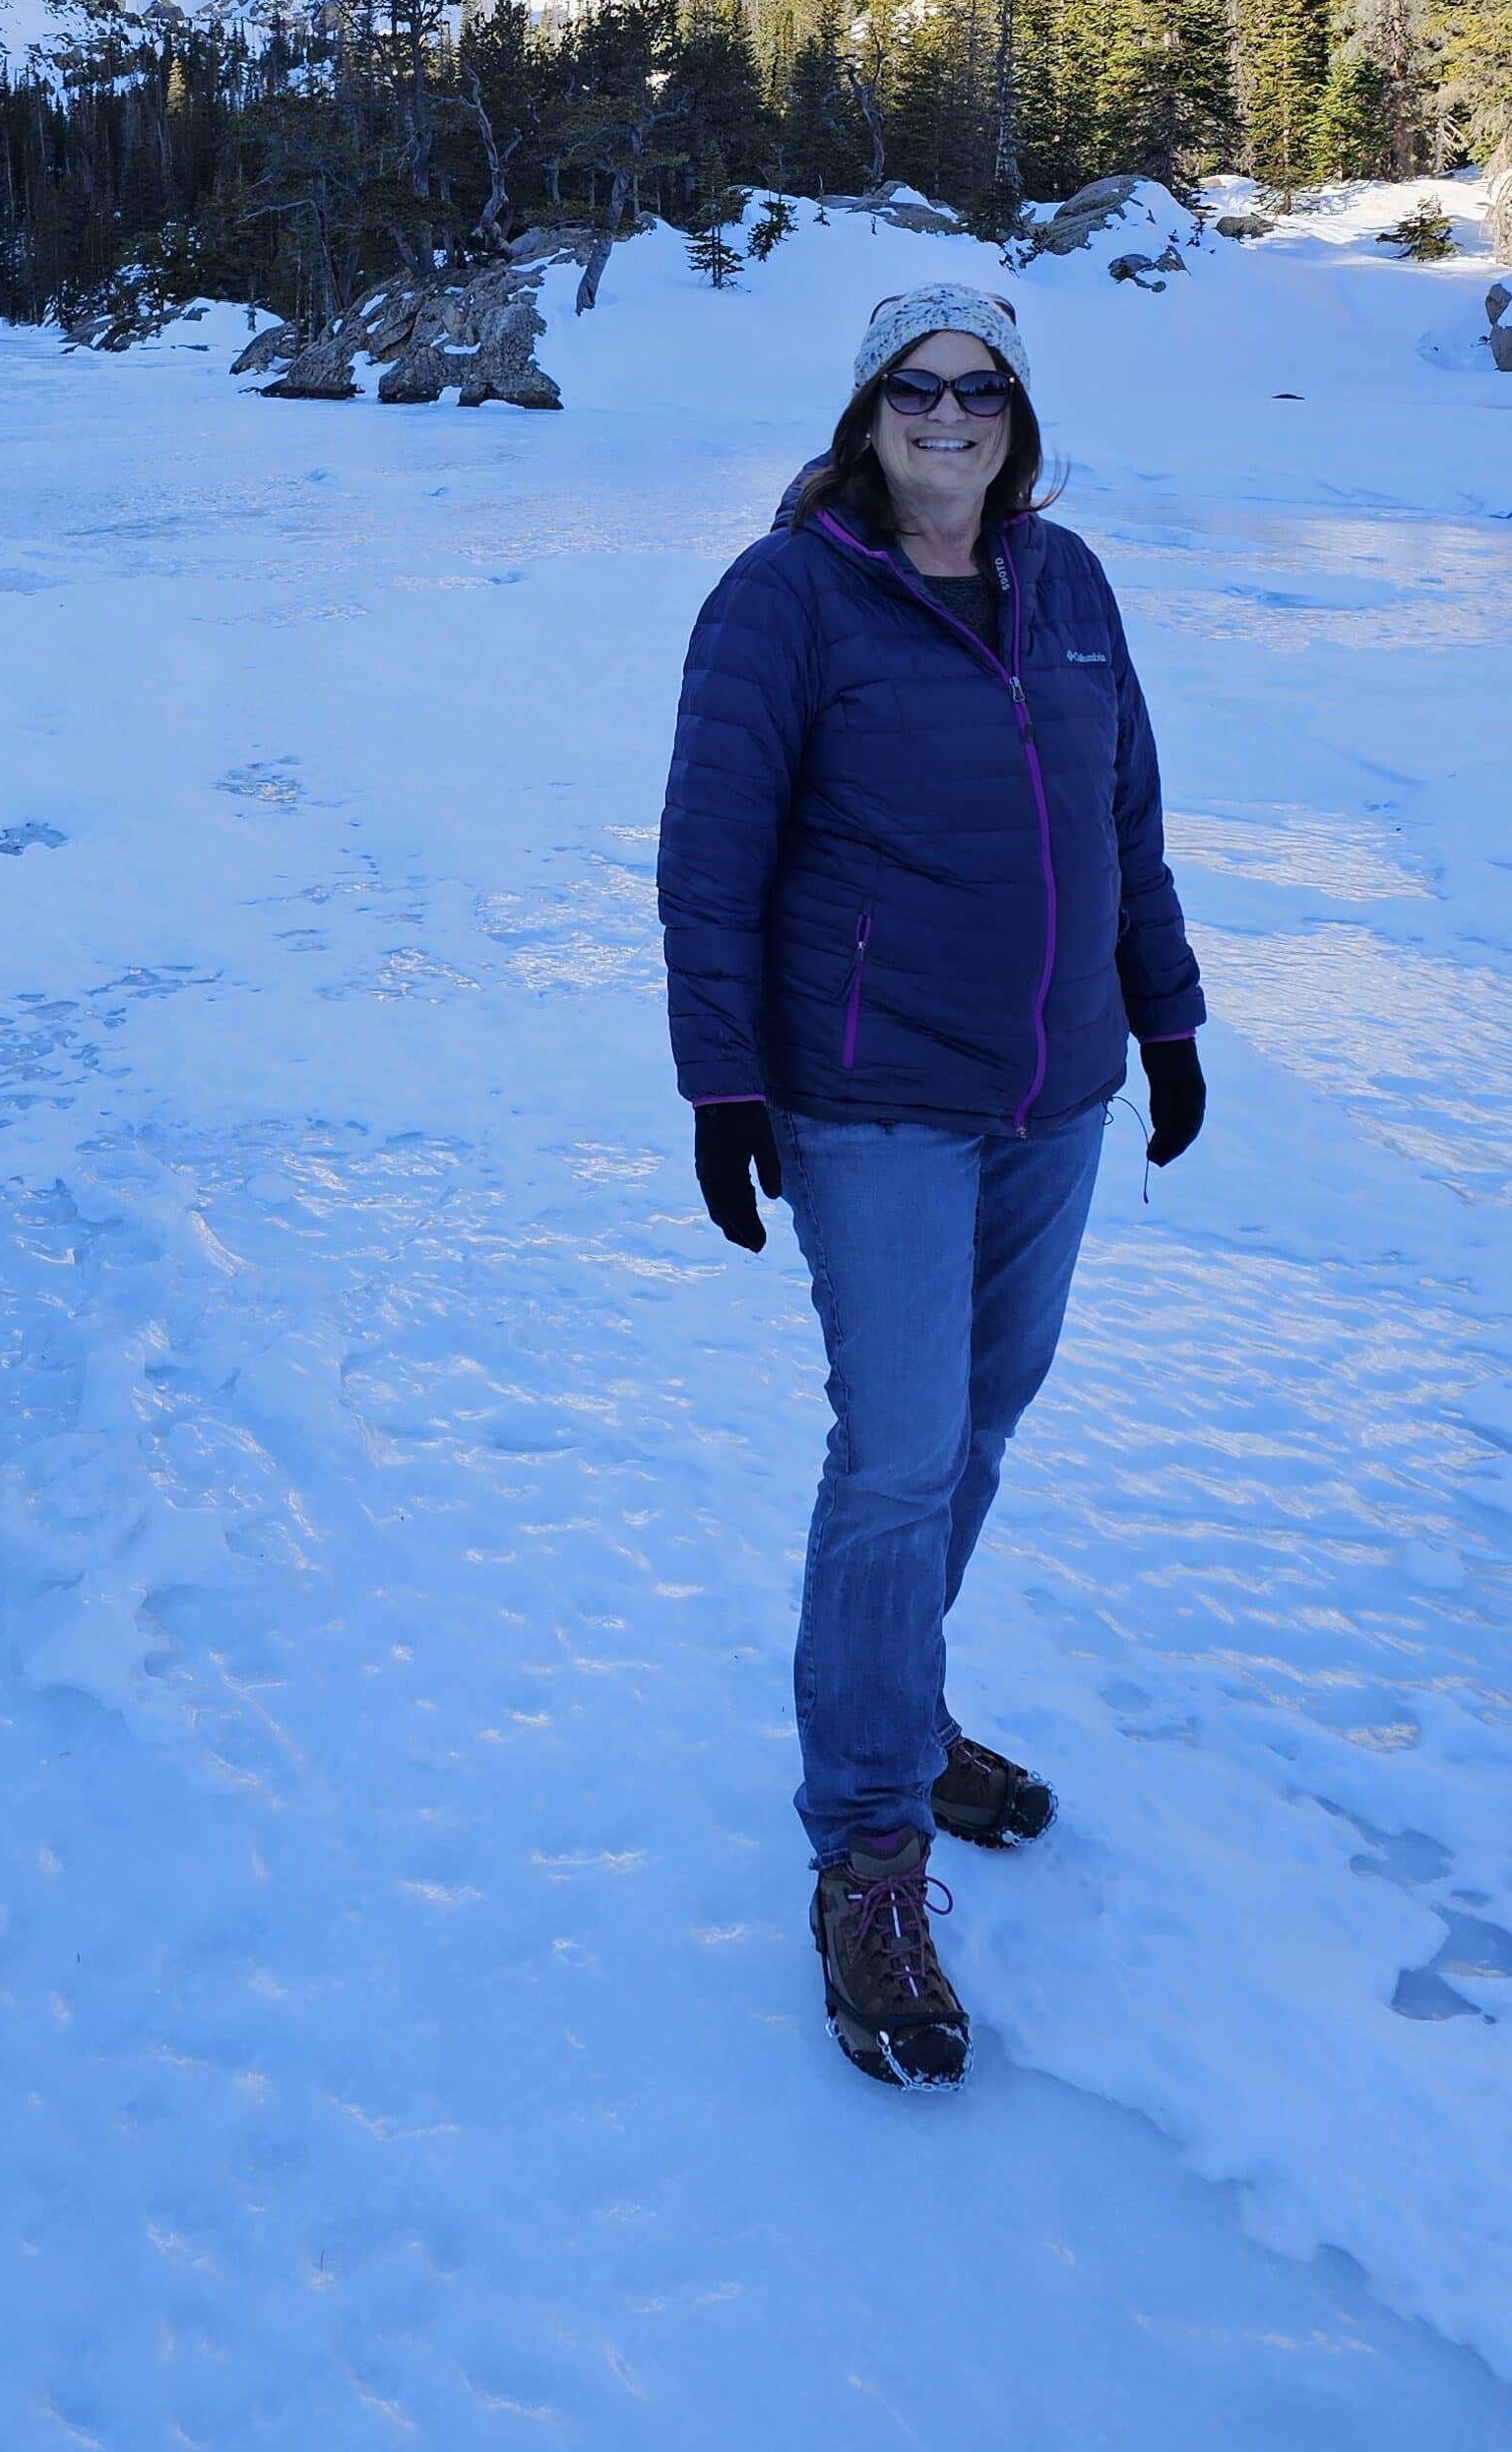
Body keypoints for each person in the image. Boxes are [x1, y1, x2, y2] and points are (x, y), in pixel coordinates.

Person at [657, 283, 1205, 2089]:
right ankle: (869, 1846)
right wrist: (725, 1085)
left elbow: (1124, 822)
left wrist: (1169, 1020)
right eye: (917, 387)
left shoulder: (1071, 590)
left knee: (977, 1427)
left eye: (980, 389)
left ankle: (901, 1704)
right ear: (867, 406)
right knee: (896, 1450)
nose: (950, 417)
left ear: (1018, 416)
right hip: (871, 1098)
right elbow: (711, 857)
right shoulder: (788, 595)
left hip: (1052, 1089)